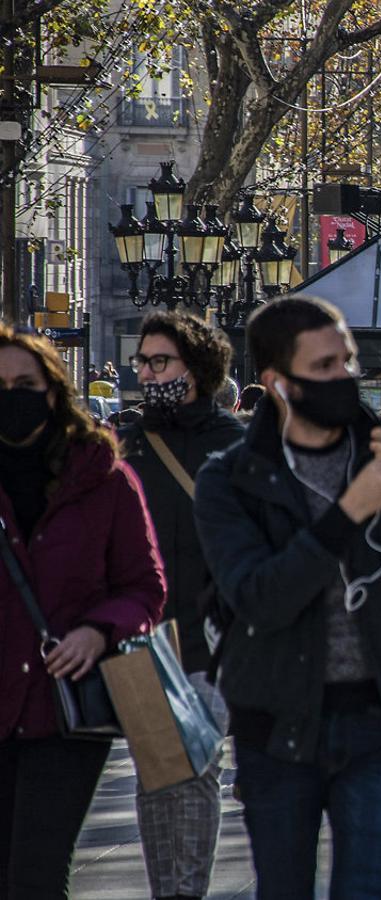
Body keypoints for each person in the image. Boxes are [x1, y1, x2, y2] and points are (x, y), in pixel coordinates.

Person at [192, 297, 381, 897]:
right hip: (276, 729)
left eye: (348, 361)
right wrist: (352, 510)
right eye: (324, 366)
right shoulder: (233, 479)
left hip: (379, 724)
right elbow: (260, 598)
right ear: (278, 382)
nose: (344, 377)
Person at [0, 325, 165, 899]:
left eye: (25, 383)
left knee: (36, 876)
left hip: (64, 707)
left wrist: (99, 631)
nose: (11, 395)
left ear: (54, 392)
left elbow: (144, 586)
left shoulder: (103, 479)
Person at [118, 311, 244, 900]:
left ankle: (182, 894)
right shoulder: (126, 444)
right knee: (155, 776)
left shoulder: (236, 446)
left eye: (159, 361)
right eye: (142, 361)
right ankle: (166, 890)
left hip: (212, 645)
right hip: (144, 646)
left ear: (195, 370)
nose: (146, 372)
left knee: (195, 771)